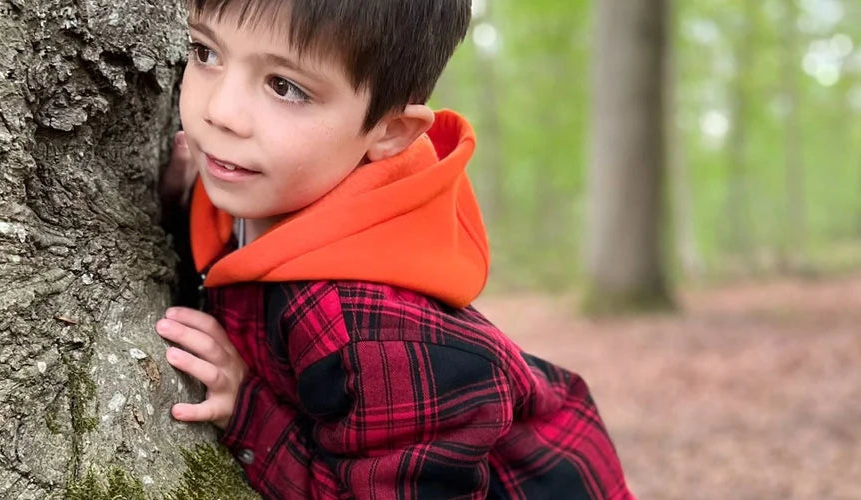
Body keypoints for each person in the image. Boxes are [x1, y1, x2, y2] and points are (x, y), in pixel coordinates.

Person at [155, 1, 632, 498]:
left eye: (285, 87)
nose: (220, 111)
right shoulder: (267, 182)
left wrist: (248, 414)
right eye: (205, 52)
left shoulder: (373, 333)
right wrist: (176, 201)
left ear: (389, 132)